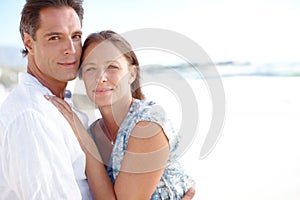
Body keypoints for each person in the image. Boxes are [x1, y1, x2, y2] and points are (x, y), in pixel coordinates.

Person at [47, 30, 196, 199]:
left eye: (112, 67)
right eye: (90, 69)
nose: (100, 78)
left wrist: (86, 145)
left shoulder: (148, 126)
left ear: (131, 74)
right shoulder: (94, 132)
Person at [0, 0, 113, 199]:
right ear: (29, 43)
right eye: (54, 38)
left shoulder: (57, 104)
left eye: (76, 36)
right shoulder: (33, 118)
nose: (71, 49)